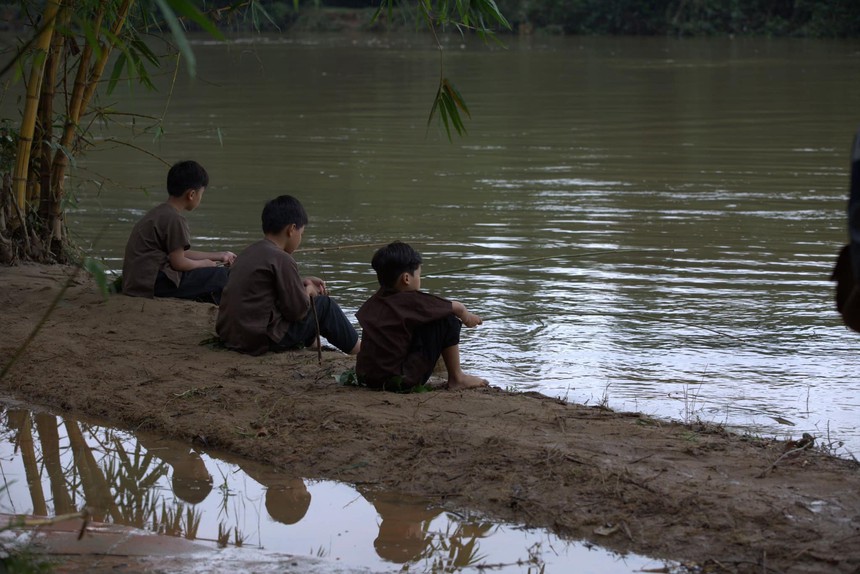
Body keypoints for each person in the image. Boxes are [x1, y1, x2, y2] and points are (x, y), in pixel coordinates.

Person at [216, 195, 360, 356]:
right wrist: (310, 291)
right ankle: (358, 350)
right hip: (258, 340)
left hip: (231, 335)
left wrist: (301, 282)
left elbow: (266, 288)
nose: (300, 238)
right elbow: (297, 311)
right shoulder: (282, 258)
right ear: (291, 229)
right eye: (301, 233)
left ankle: (313, 343)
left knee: (312, 309)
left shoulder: (249, 252)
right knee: (324, 306)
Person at [355, 241, 488, 391]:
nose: (420, 279)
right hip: (397, 380)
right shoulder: (411, 300)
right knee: (446, 319)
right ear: (406, 278)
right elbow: (456, 307)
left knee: (430, 319)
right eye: (419, 275)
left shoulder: (375, 301)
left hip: (368, 377)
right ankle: (457, 378)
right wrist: (467, 317)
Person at [121, 160, 236, 304]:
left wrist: (219, 256)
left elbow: (178, 253)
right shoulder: (175, 219)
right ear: (192, 194)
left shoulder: (160, 212)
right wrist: (203, 264)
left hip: (137, 281)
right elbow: (179, 263)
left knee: (213, 276)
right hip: (153, 283)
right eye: (201, 193)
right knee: (222, 276)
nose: (201, 198)